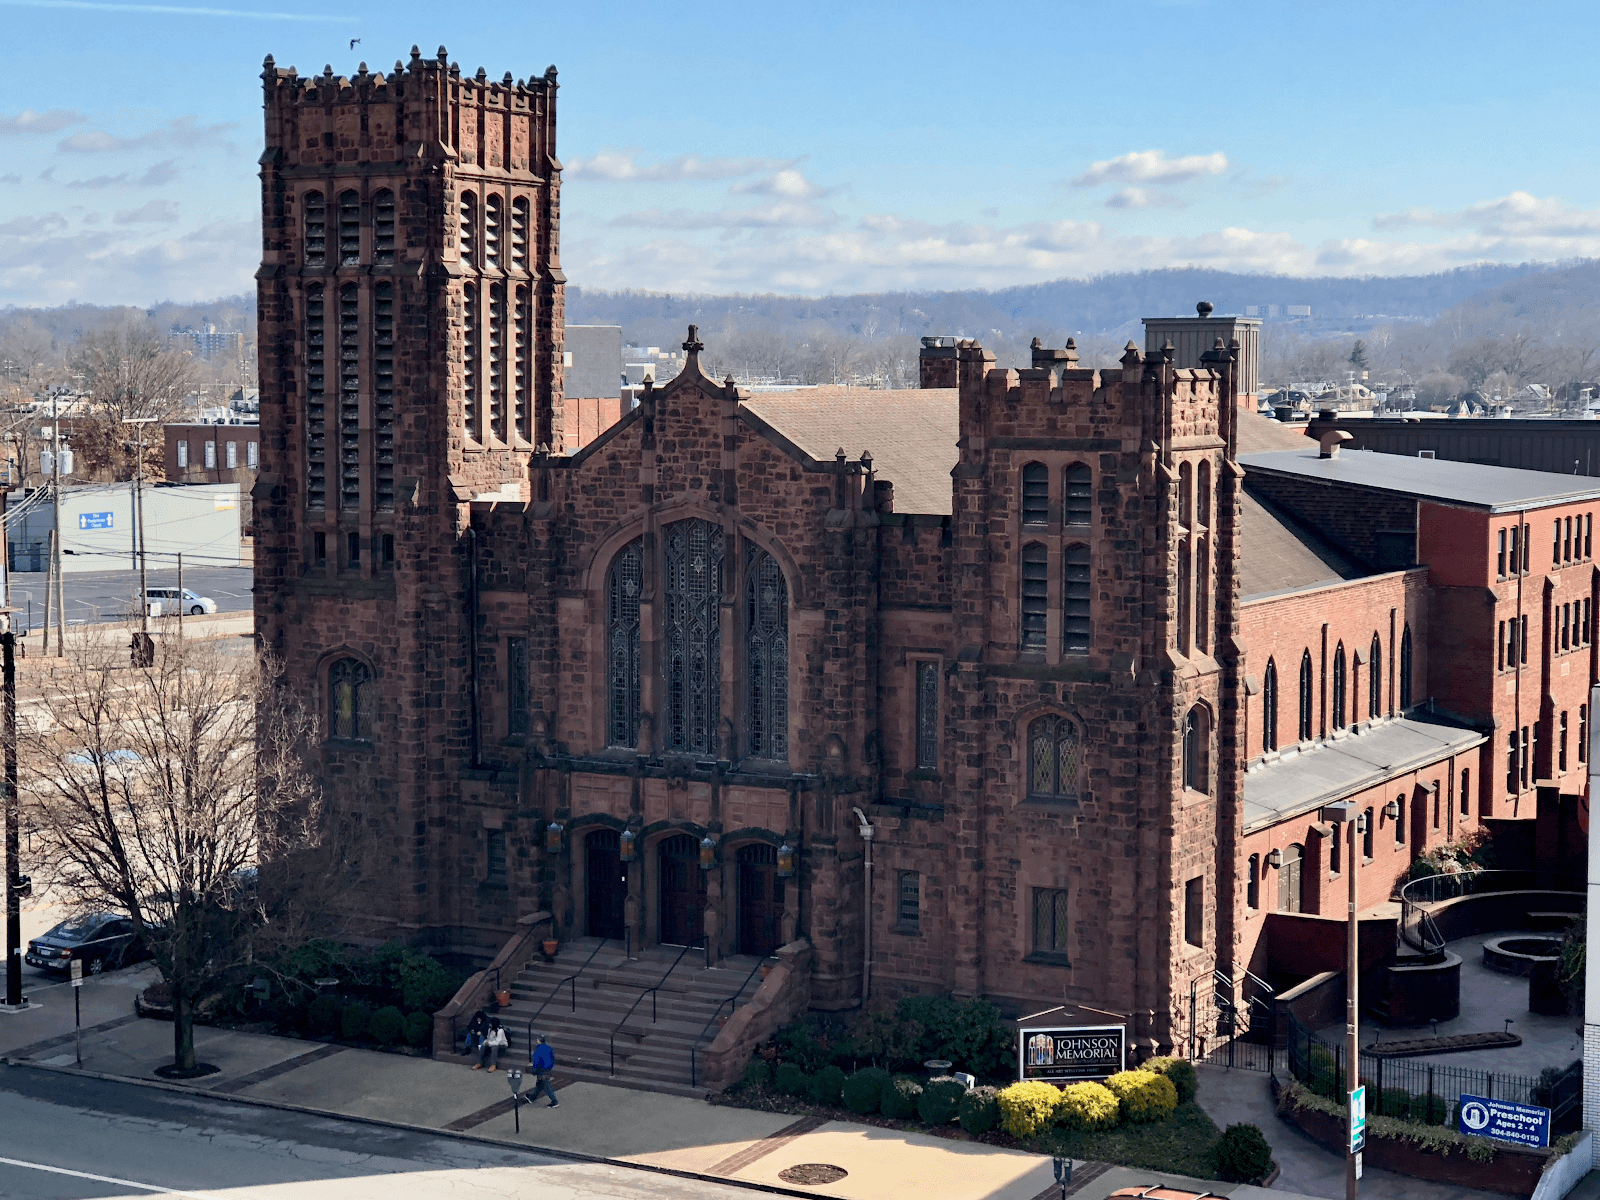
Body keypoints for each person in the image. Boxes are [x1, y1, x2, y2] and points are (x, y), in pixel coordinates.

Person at [529, 1033, 559, 1107]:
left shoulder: (538, 1050)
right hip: (548, 1068)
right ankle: (532, 1097)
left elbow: (537, 1062)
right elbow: (553, 1058)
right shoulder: (549, 1048)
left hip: (541, 1070)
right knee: (540, 1083)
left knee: (546, 1086)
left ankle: (554, 1101)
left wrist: (533, 1070)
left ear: (538, 1040)